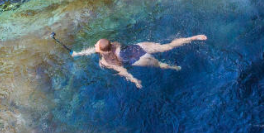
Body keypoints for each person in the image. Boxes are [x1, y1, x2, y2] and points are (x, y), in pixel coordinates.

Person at [72, 35, 208, 89]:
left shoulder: (106, 61)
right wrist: (78, 53)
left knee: (161, 65)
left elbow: (122, 71)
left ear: (101, 50)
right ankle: (194, 37)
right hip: (139, 47)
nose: (94, 46)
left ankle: (175, 68)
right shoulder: (113, 44)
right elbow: (94, 49)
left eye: (96, 45)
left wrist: (135, 81)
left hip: (139, 59)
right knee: (167, 46)